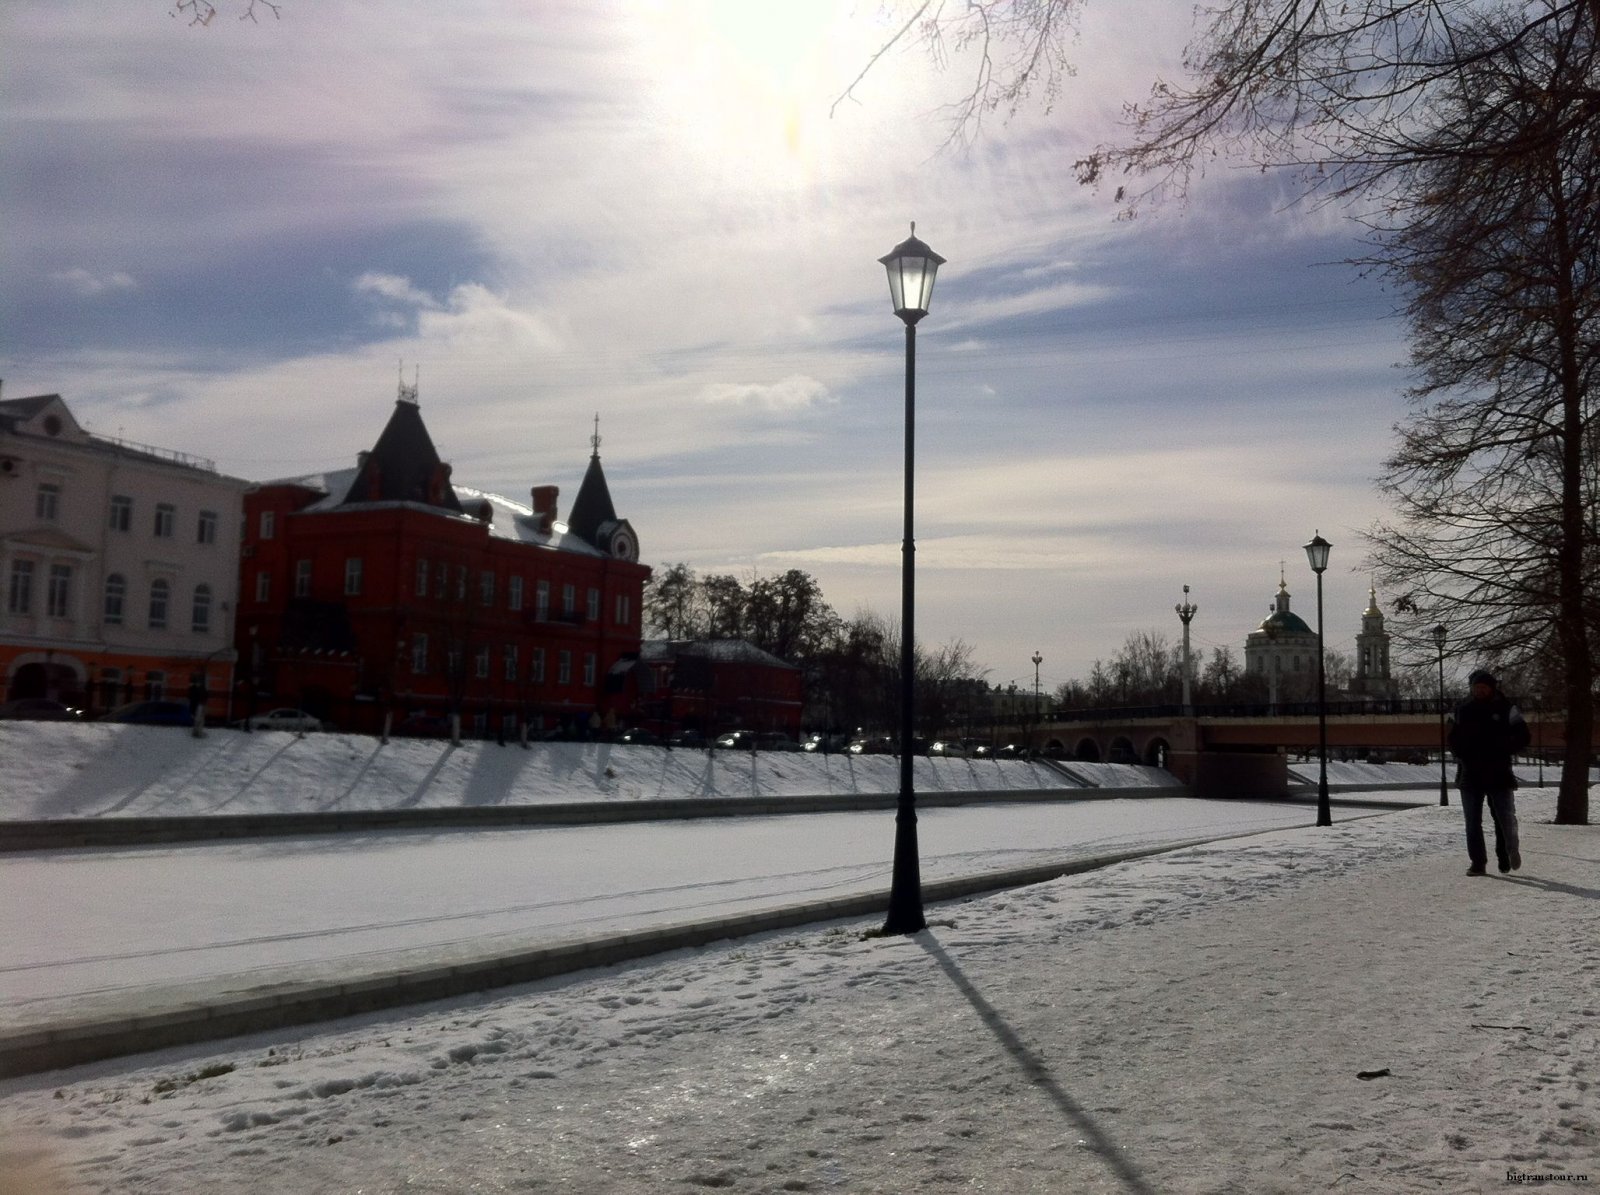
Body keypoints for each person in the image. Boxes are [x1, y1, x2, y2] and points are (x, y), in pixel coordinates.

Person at [1447, 669, 1530, 875]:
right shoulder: (1462, 710)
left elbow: (1523, 736)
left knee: (1504, 817)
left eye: (1483, 688)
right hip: (1470, 772)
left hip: (1498, 771)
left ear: (1491, 688)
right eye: (1476, 688)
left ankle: (1507, 853)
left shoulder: (1506, 708)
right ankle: (1478, 863)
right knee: (1472, 821)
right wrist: (1460, 752)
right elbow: (1453, 737)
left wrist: (1503, 748)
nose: (1479, 691)